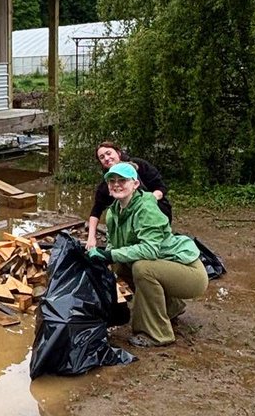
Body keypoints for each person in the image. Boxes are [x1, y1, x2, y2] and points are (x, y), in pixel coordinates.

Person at [87, 161, 208, 347]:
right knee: (121, 265)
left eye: (122, 180)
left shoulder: (146, 208)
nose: (116, 184)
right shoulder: (113, 213)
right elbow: (114, 245)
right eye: (112, 180)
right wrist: (103, 255)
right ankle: (171, 308)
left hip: (190, 273)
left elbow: (150, 249)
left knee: (142, 268)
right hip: (164, 267)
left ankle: (156, 333)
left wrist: (110, 255)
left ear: (135, 184)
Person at [86, 141, 171, 249]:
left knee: (151, 247)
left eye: (109, 153)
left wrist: (148, 202)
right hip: (128, 220)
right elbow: (96, 210)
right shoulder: (105, 185)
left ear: (118, 153)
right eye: (102, 157)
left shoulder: (139, 165)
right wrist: (91, 237)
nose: (106, 158)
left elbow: (161, 187)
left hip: (156, 209)